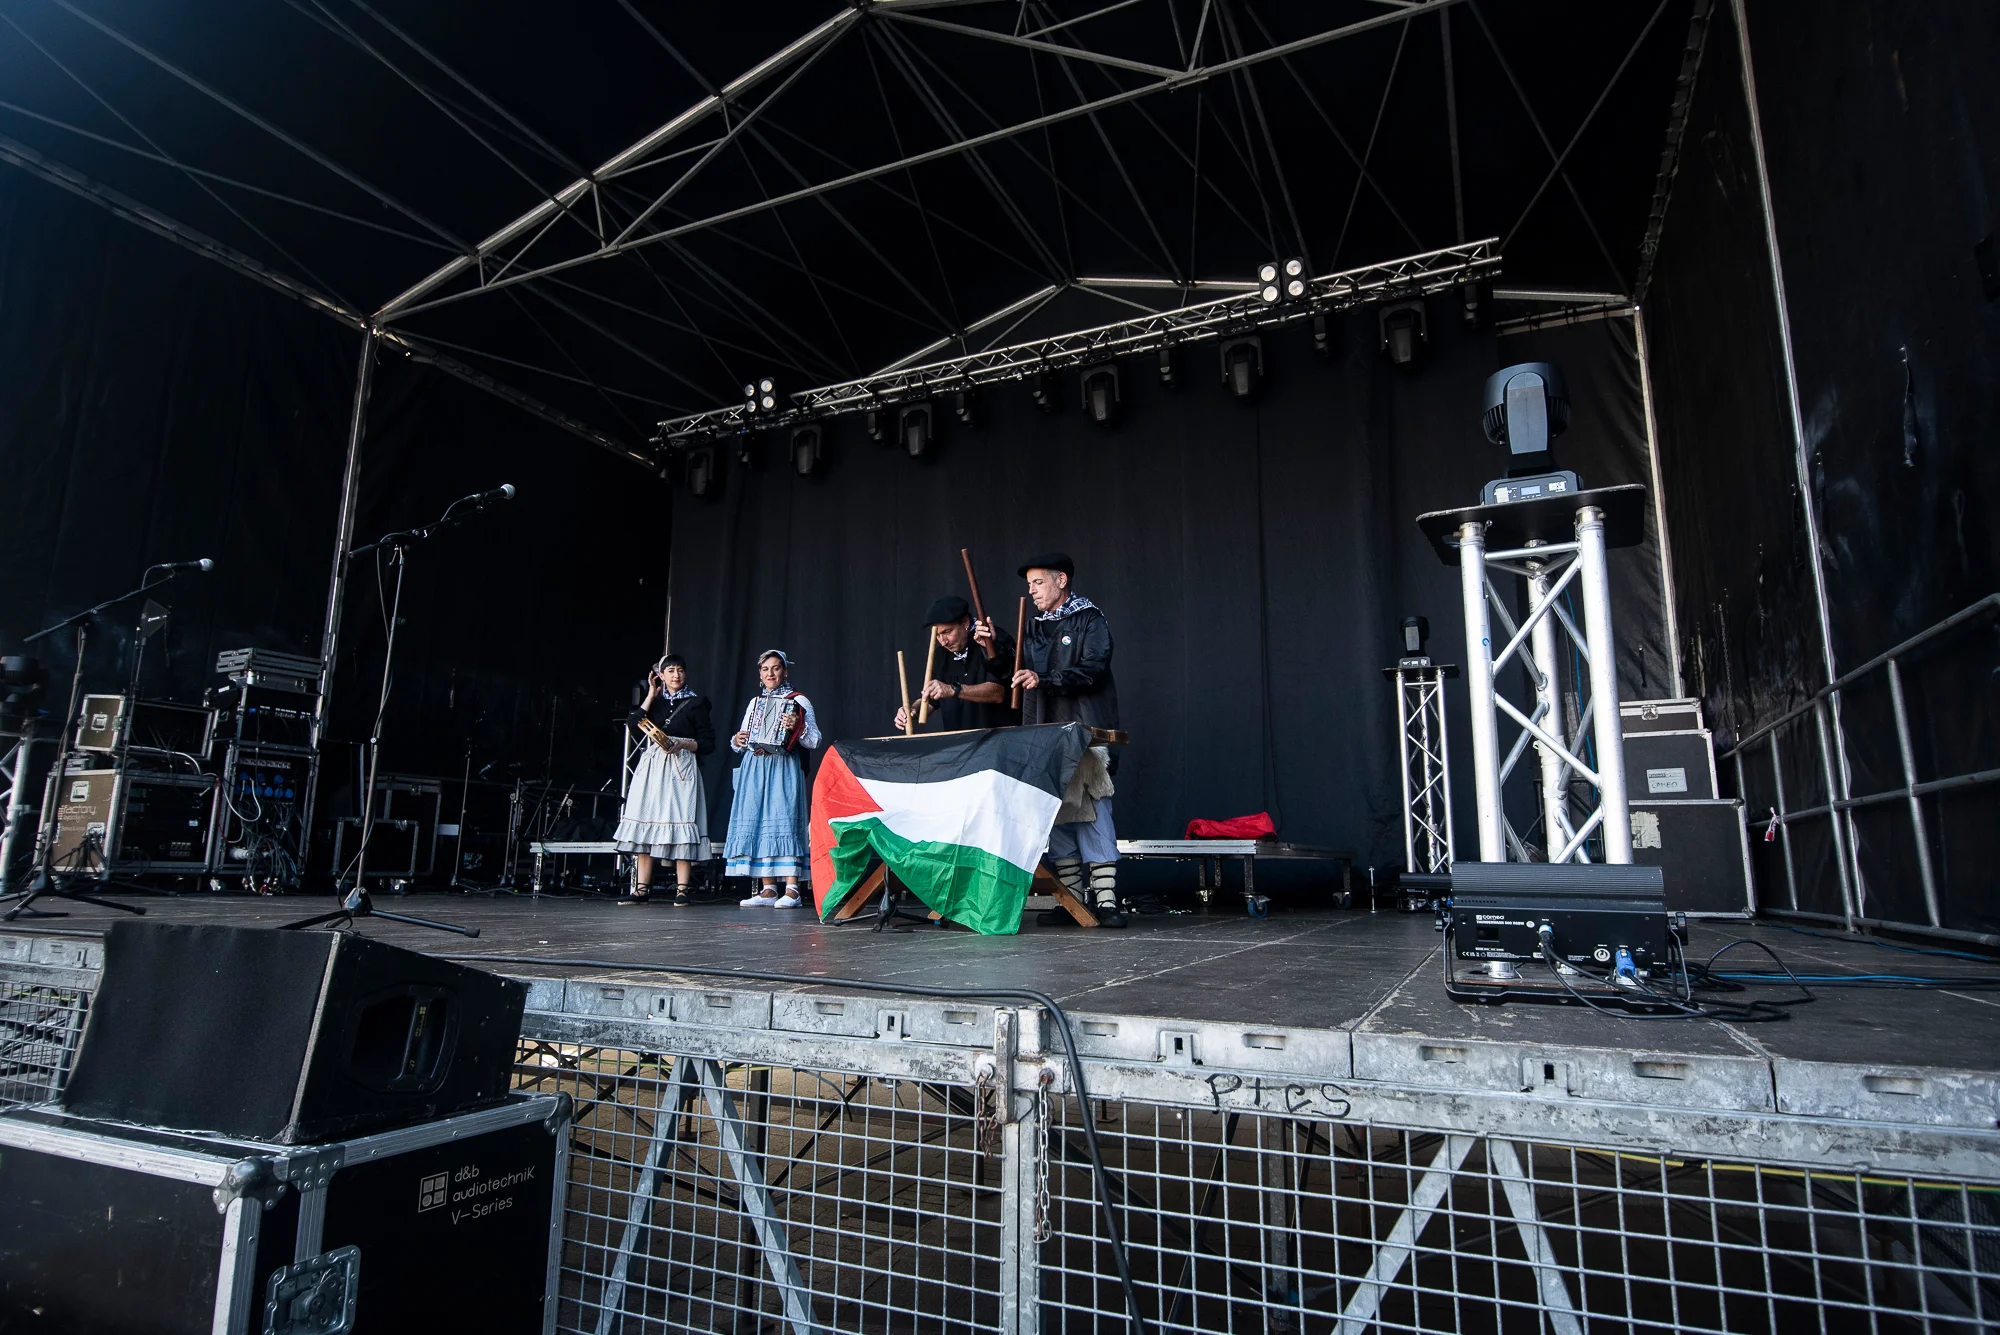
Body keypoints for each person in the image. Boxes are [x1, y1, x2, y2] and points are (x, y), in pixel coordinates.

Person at [1011, 552, 1125, 928]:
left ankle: (1106, 901)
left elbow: (1094, 668)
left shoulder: (1089, 619)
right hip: (1047, 733)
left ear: (1061, 580)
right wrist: (991, 645)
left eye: (1038, 582)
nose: (1032, 590)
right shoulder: (1034, 626)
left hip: (1085, 730)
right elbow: (1015, 671)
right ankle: (1072, 901)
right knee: (1056, 812)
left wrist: (1045, 679)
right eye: (1029, 585)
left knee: (1093, 809)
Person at [613, 654, 715, 906]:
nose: (676, 675)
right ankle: (641, 889)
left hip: (681, 765)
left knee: (682, 820)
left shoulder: (696, 702)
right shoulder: (655, 703)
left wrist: (684, 744)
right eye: (670, 671)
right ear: (661, 675)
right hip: (654, 766)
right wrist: (650, 694)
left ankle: (682, 889)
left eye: (680, 670)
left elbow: (708, 743)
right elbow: (633, 724)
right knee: (647, 819)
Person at [725, 650, 821, 908]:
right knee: (759, 821)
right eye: (765, 669)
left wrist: (797, 726)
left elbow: (814, 740)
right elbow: (742, 739)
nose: (770, 673)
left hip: (783, 765)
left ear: (784, 671)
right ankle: (768, 889)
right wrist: (737, 740)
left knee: (784, 820)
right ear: (760, 673)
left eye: (775, 668)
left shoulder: (798, 701)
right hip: (756, 765)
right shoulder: (755, 702)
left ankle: (792, 889)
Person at [892, 595, 1015, 733]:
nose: (943, 641)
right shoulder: (940, 655)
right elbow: (931, 701)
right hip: (959, 743)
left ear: (965, 623)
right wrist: (913, 710)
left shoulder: (990, 639)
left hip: (998, 740)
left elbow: (998, 693)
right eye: (937, 635)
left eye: (947, 632)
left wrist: (953, 690)